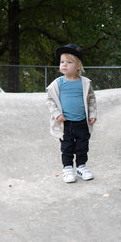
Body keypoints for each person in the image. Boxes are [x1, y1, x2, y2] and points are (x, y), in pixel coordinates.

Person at [46, 43, 97, 183]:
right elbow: (50, 100)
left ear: (78, 66)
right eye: (62, 62)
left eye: (69, 62)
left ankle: (81, 167)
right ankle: (67, 169)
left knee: (82, 146)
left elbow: (91, 99)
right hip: (65, 123)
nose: (64, 65)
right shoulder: (57, 83)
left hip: (82, 122)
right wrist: (57, 114)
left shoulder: (85, 83)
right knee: (67, 147)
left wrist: (92, 114)